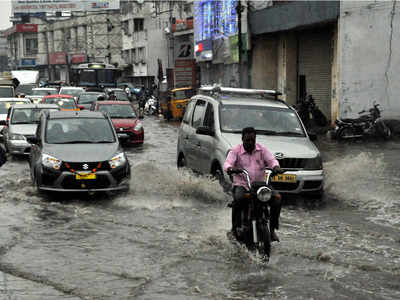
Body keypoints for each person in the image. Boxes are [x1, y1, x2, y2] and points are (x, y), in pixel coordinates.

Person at [223, 127, 283, 242]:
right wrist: (230, 168)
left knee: (277, 198)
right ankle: (234, 230)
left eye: (252, 140)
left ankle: (272, 230)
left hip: (260, 185)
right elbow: (227, 163)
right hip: (242, 184)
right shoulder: (235, 151)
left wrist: (276, 167)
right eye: (247, 140)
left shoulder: (262, 150)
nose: (250, 143)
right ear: (242, 139)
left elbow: (271, 160)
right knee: (239, 199)